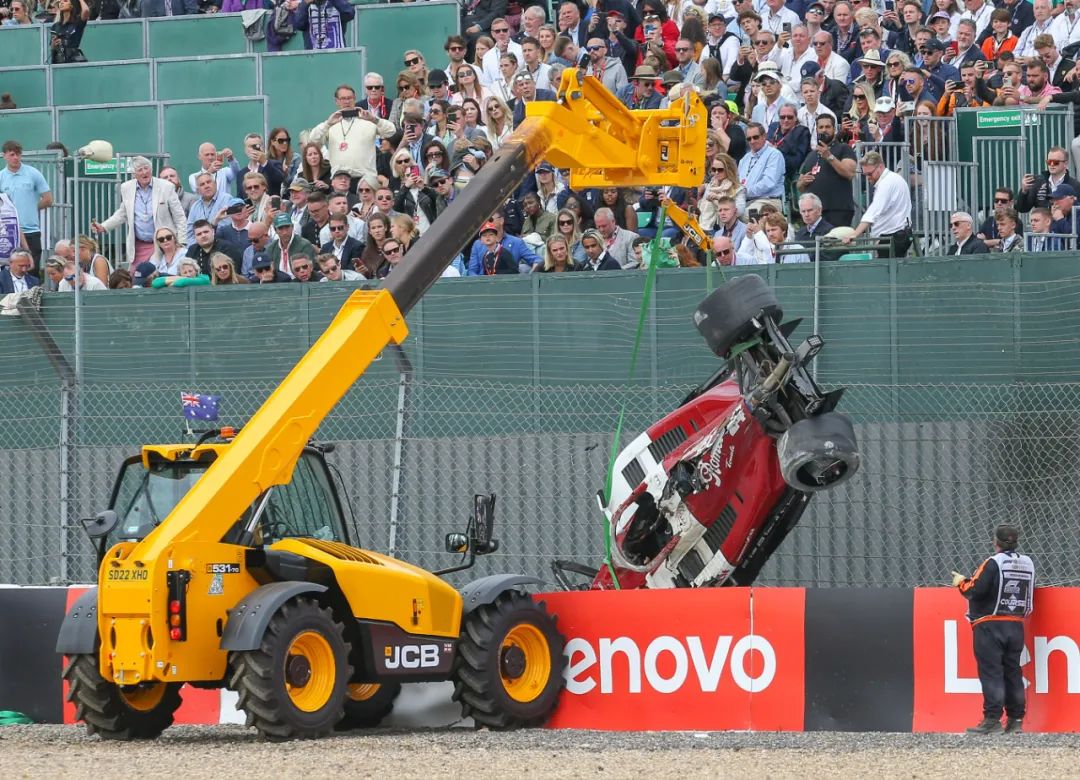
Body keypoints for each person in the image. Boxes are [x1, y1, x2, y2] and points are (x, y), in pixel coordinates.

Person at [951, 524, 1035, 735]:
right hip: (1016, 625)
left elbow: (975, 591)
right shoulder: (1028, 563)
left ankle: (992, 720)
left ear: (995, 542)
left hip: (989, 625)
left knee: (992, 672)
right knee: (1013, 672)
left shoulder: (993, 562)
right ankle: (1016, 720)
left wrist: (961, 582)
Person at [91, 156, 186, 267]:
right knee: (138, 278)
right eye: (140, 170)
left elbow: (180, 217)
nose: (144, 172)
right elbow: (122, 213)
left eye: (146, 168)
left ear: (151, 170)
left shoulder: (166, 187)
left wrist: (182, 242)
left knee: (160, 276)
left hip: (164, 243)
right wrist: (103, 226)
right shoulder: (126, 188)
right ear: (134, 174)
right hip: (139, 245)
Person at [309, 85, 396, 187]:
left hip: (365, 179)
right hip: (339, 180)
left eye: (349, 98)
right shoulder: (331, 124)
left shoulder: (368, 120)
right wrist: (327, 124)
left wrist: (374, 119)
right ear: (336, 101)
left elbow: (391, 131)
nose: (347, 101)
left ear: (355, 99)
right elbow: (313, 140)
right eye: (343, 99)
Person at [844, 151, 913, 256]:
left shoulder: (886, 183)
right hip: (896, 235)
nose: (867, 178)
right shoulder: (893, 179)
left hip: (892, 237)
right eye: (865, 175)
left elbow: (872, 213)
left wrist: (854, 234)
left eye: (870, 174)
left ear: (880, 167)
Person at [797, 114, 857, 228]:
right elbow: (799, 186)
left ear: (834, 129)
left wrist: (829, 156)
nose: (824, 130)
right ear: (816, 129)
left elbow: (849, 173)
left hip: (838, 210)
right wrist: (803, 182)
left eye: (828, 127)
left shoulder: (844, 149)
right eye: (821, 127)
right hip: (814, 213)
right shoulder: (811, 154)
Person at [1, 140, 53, 269]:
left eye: (18, 154)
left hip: (31, 230)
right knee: (8, 270)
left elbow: (48, 199)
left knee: (31, 269)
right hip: (9, 232)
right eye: (12, 154)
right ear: (4, 155)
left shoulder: (33, 173)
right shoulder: (1, 176)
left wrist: (31, 209)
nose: (16, 158)